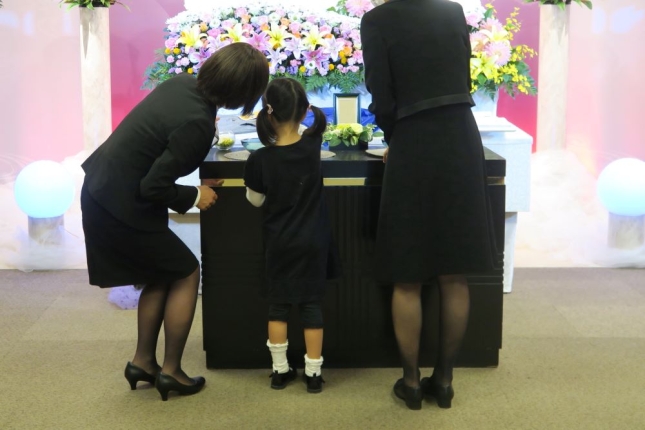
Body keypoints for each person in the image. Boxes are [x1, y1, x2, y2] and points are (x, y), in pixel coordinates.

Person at [80, 43, 269, 401]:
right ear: (243, 91)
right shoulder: (198, 121)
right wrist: (195, 196)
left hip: (104, 190)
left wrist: (194, 182)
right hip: (120, 204)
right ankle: (171, 371)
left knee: (161, 272)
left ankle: (143, 363)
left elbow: (158, 150)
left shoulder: (183, 84)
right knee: (186, 272)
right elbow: (154, 186)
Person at [361, 0, 499, 410]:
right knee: (453, 272)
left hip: (413, 138)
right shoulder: (452, 11)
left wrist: (395, 139)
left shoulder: (377, 20)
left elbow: (382, 96)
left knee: (407, 274)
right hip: (460, 137)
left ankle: (411, 383)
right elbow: (462, 76)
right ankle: (445, 380)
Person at [243, 78, 341, 394]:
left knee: (278, 308)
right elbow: (312, 132)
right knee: (312, 307)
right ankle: (314, 374)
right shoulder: (313, 146)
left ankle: (280, 371)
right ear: (304, 111)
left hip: (279, 243)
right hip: (314, 241)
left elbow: (255, 200)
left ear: (268, 112)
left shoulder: (260, 158)